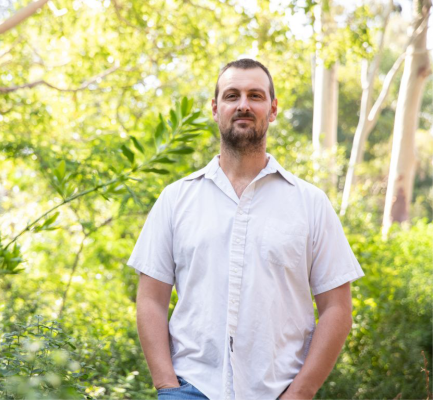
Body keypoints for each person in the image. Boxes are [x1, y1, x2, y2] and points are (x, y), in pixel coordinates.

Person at [127, 58, 364, 400]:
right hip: (191, 388)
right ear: (215, 108)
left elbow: (337, 308)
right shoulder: (175, 199)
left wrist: (301, 392)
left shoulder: (311, 204)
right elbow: (151, 299)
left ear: (273, 108)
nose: (243, 105)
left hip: (278, 391)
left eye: (255, 95)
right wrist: (167, 385)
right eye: (232, 95)